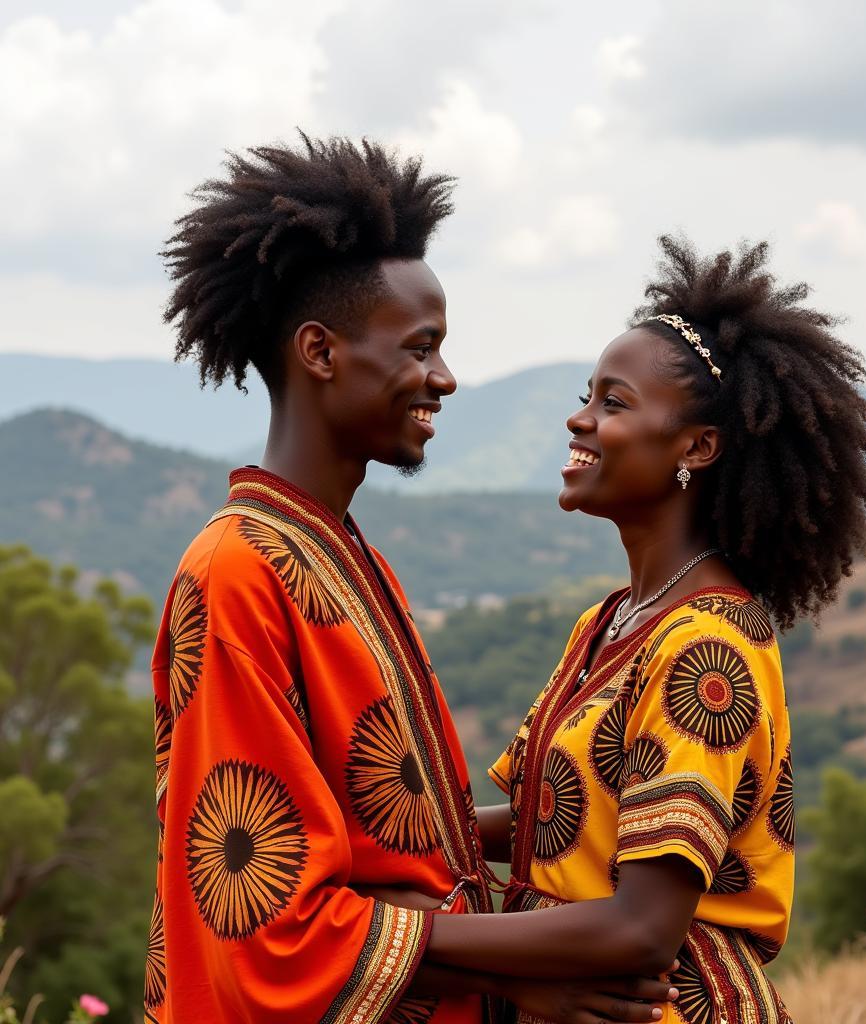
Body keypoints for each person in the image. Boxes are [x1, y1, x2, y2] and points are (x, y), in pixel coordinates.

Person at [147, 134, 675, 1024]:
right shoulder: (237, 572)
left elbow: (400, 845)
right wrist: (517, 972)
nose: (445, 378)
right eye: (420, 348)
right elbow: (263, 923)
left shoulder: (347, 557)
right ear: (320, 352)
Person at [441, 236, 866, 1023]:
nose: (579, 418)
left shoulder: (708, 648)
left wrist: (403, 940)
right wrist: (380, 838)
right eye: (589, 394)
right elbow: (557, 820)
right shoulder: (610, 621)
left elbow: (643, 929)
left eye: (614, 402)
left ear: (698, 448)